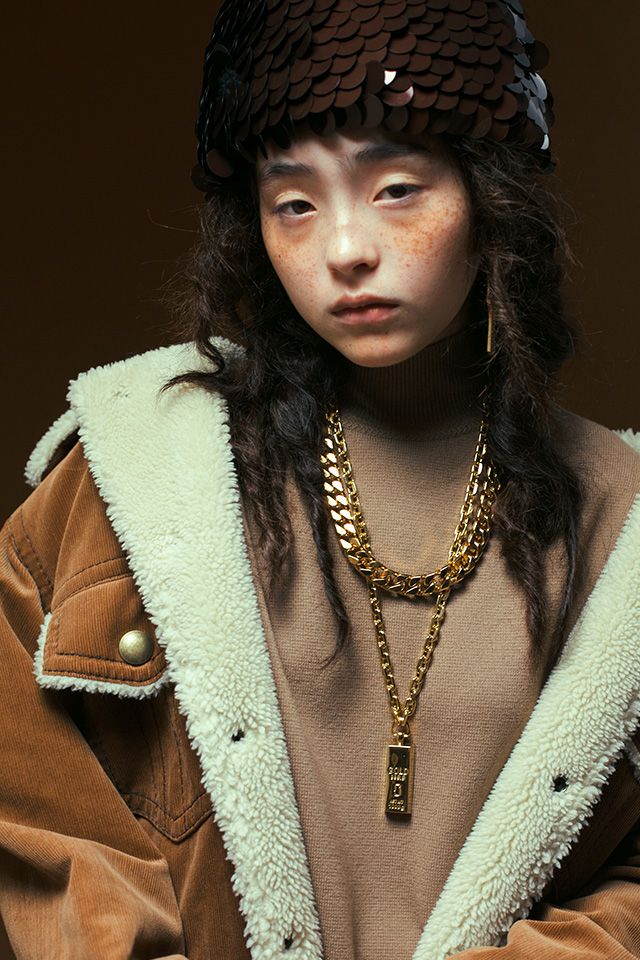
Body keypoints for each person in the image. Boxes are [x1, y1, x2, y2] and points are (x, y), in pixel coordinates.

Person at [1, 1, 639, 958]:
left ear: (490, 197)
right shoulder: (136, 477)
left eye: (396, 189)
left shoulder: (621, 519)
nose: (345, 249)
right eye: (294, 203)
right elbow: (35, 810)